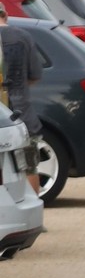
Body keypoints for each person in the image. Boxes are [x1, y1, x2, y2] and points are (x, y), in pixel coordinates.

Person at [0, 18, 49, 192]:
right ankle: (32, 205)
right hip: (21, 115)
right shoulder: (23, 36)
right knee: (29, 166)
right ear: (5, 15)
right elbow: (35, 75)